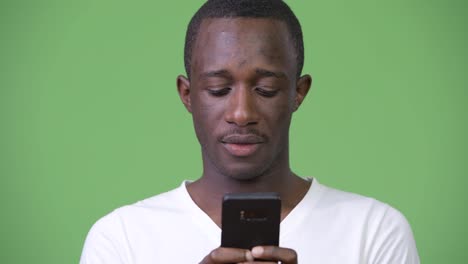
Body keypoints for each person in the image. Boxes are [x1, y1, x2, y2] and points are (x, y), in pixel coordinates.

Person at [80, 0, 420, 263]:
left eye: (267, 89)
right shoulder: (121, 238)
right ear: (187, 94)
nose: (241, 114)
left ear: (298, 93)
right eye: (217, 89)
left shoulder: (374, 231)